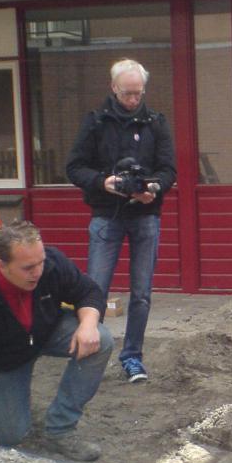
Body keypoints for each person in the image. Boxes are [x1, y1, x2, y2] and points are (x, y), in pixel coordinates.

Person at [0, 221, 113, 462]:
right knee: (9, 436)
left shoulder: (51, 264)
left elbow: (88, 292)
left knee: (102, 339)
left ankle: (60, 428)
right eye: (28, 267)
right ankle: (14, 409)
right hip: (5, 359)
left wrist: (87, 326)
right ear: (1, 265)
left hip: (48, 331)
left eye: (41, 262)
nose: (38, 271)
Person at [66, 59, 176, 384]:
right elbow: (74, 167)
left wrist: (152, 188)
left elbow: (169, 170)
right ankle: (91, 353)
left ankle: (132, 358)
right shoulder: (96, 122)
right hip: (105, 215)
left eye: (137, 94)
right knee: (95, 290)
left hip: (145, 217)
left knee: (141, 293)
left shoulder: (156, 123)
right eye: (127, 93)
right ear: (113, 88)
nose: (132, 100)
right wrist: (104, 183)